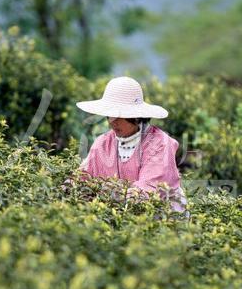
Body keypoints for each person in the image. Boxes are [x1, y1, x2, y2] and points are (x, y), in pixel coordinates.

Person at [76, 76, 185, 211]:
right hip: (121, 216)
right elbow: (81, 178)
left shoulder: (159, 144)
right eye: (109, 115)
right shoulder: (103, 143)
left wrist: (108, 194)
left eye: (118, 115)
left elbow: (147, 191)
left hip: (163, 220)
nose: (112, 121)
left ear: (135, 116)